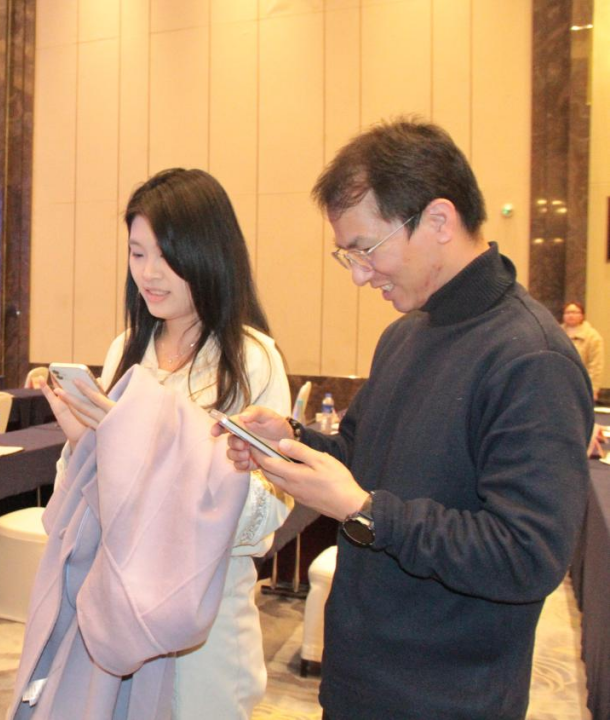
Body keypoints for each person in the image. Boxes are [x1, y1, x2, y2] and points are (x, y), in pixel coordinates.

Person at [220, 119, 593, 720]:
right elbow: (361, 459)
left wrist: (365, 511)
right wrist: (290, 442)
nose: (359, 274)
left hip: (450, 698)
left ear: (440, 220)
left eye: (366, 249)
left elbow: (526, 556)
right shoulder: (404, 336)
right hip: (357, 679)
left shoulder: (532, 358)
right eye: (347, 255)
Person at [23, 168, 291, 718]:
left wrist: (149, 451)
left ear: (208, 254)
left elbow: (266, 516)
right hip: (117, 605)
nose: (149, 273)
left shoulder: (252, 359)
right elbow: (85, 506)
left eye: (167, 257)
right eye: (137, 253)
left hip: (201, 619)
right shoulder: (126, 349)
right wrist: (84, 445)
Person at [562, 301, 603, 402]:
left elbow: (596, 365)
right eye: (567, 312)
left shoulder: (592, 337)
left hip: (581, 385)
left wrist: (593, 389)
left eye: (575, 312)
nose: (571, 315)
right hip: (560, 383)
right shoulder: (557, 332)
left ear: (582, 315)